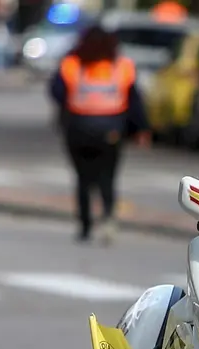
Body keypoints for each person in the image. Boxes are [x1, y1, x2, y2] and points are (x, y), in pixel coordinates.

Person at [49, 25, 152, 244]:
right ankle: (108, 219)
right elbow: (134, 101)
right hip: (111, 131)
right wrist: (141, 129)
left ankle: (85, 225)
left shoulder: (72, 64)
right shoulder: (121, 66)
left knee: (83, 179)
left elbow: (56, 91)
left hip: (78, 129)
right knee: (107, 178)